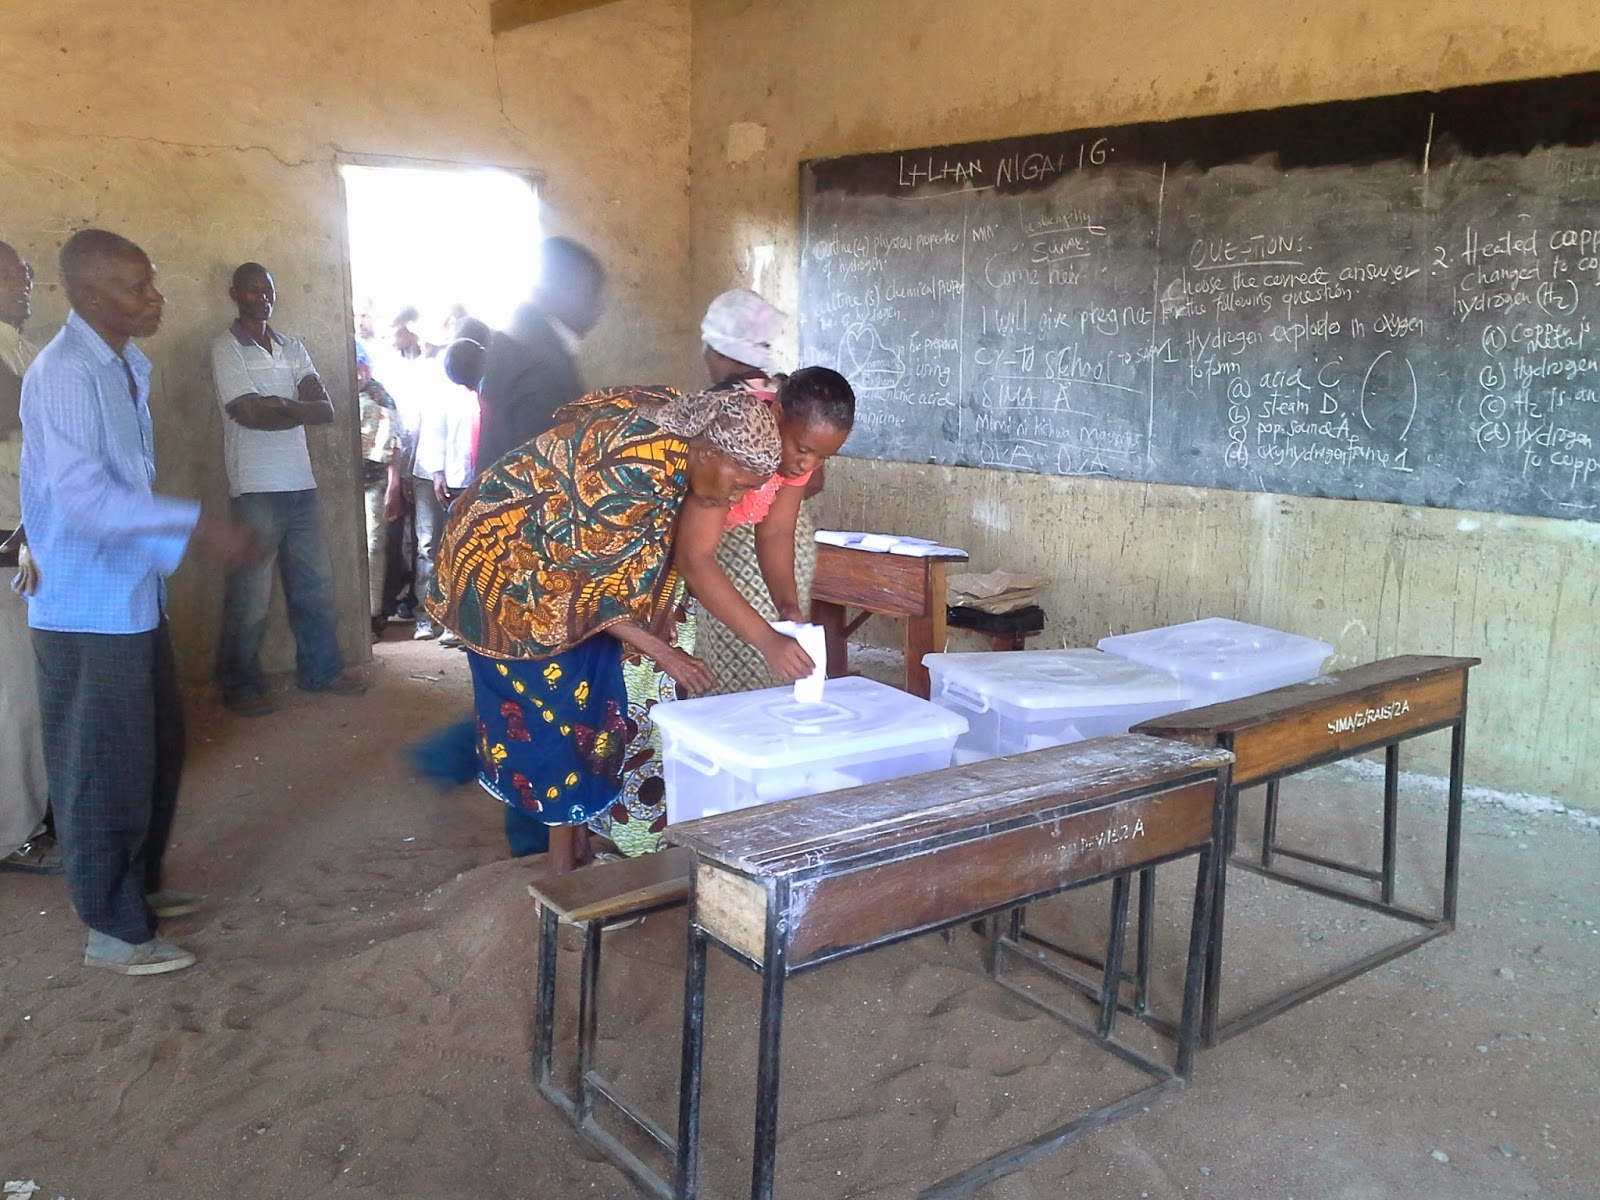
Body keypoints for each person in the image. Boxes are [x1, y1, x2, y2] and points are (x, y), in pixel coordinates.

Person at [426, 385, 813, 872]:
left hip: (563, 575)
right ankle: (562, 876)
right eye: (738, 485)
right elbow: (587, 589)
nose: (737, 498)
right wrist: (664, 652)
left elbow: (632, 560)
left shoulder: (690, 437)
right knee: (554, 717)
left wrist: (660, 626)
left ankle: (578, 852)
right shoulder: (629, 467)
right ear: (709, 453)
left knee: (591, 698)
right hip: (508, 574)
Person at [21, 228, 257, 973]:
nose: (155, 298)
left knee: (152, 752)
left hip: (127, 591)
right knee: (103, 766)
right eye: (136, 287)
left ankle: (138, 887)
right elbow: (86, 501)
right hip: (87, 602)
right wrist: (199, 524)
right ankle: (112, 930)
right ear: (91, 296)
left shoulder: (122, 363)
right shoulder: (66, 372)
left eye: (151, 282)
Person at [211, 262, 364, 715]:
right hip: (255, 488)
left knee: (314, 586)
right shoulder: (225, 347)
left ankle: (321, 671)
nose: (263, 298)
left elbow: (326, 409)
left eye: (269, 290)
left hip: (301, 484)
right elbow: (247, 414)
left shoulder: (292, 346)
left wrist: (278, 403)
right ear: (235, 294)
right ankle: (240, 685)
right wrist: (295, 407)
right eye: (253, 290)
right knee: (251, 597)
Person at [694, 291, 856, 694]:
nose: (806, 465)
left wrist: (787, 606)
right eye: (802, 450)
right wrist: (767, 639)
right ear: (776, 415)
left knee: (761, 668)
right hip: (657, 547)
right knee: (719, 670)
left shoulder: (796, 443)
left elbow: (777, 531)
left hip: (712, 549)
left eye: (822, 457)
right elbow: (694, 557)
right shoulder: (734, 438)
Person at [0, 239, 54, 874]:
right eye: (10, 276)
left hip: (33, 544)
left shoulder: (28, 349)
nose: (24, 284)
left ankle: (36, 811)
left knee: (33, 691)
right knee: (11, 694)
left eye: (27, 274)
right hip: (5, 548)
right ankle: (13, 833)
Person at [475, 237, 602, 471]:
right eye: (590, 293)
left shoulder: (514, 342)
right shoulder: (541, 367)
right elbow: (546, 472)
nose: (598, 309)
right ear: (559, 287)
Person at [409, 333, 482, 642]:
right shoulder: (440, 383)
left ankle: (455, 622)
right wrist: (437, 472)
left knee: (460, 550)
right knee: (428, 546)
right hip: (432, 476)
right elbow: (432, 432)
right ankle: (425, 616)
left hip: (466, 478)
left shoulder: (479, 385)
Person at [356, 341, 401, 638]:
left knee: (373, 546)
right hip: (343, 484)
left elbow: (394, 444)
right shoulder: (338, 393)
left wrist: (393, 485)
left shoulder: (381, 398)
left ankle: (373, 614)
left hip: (373, 482)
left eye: (362, 366)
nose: (358, 373)